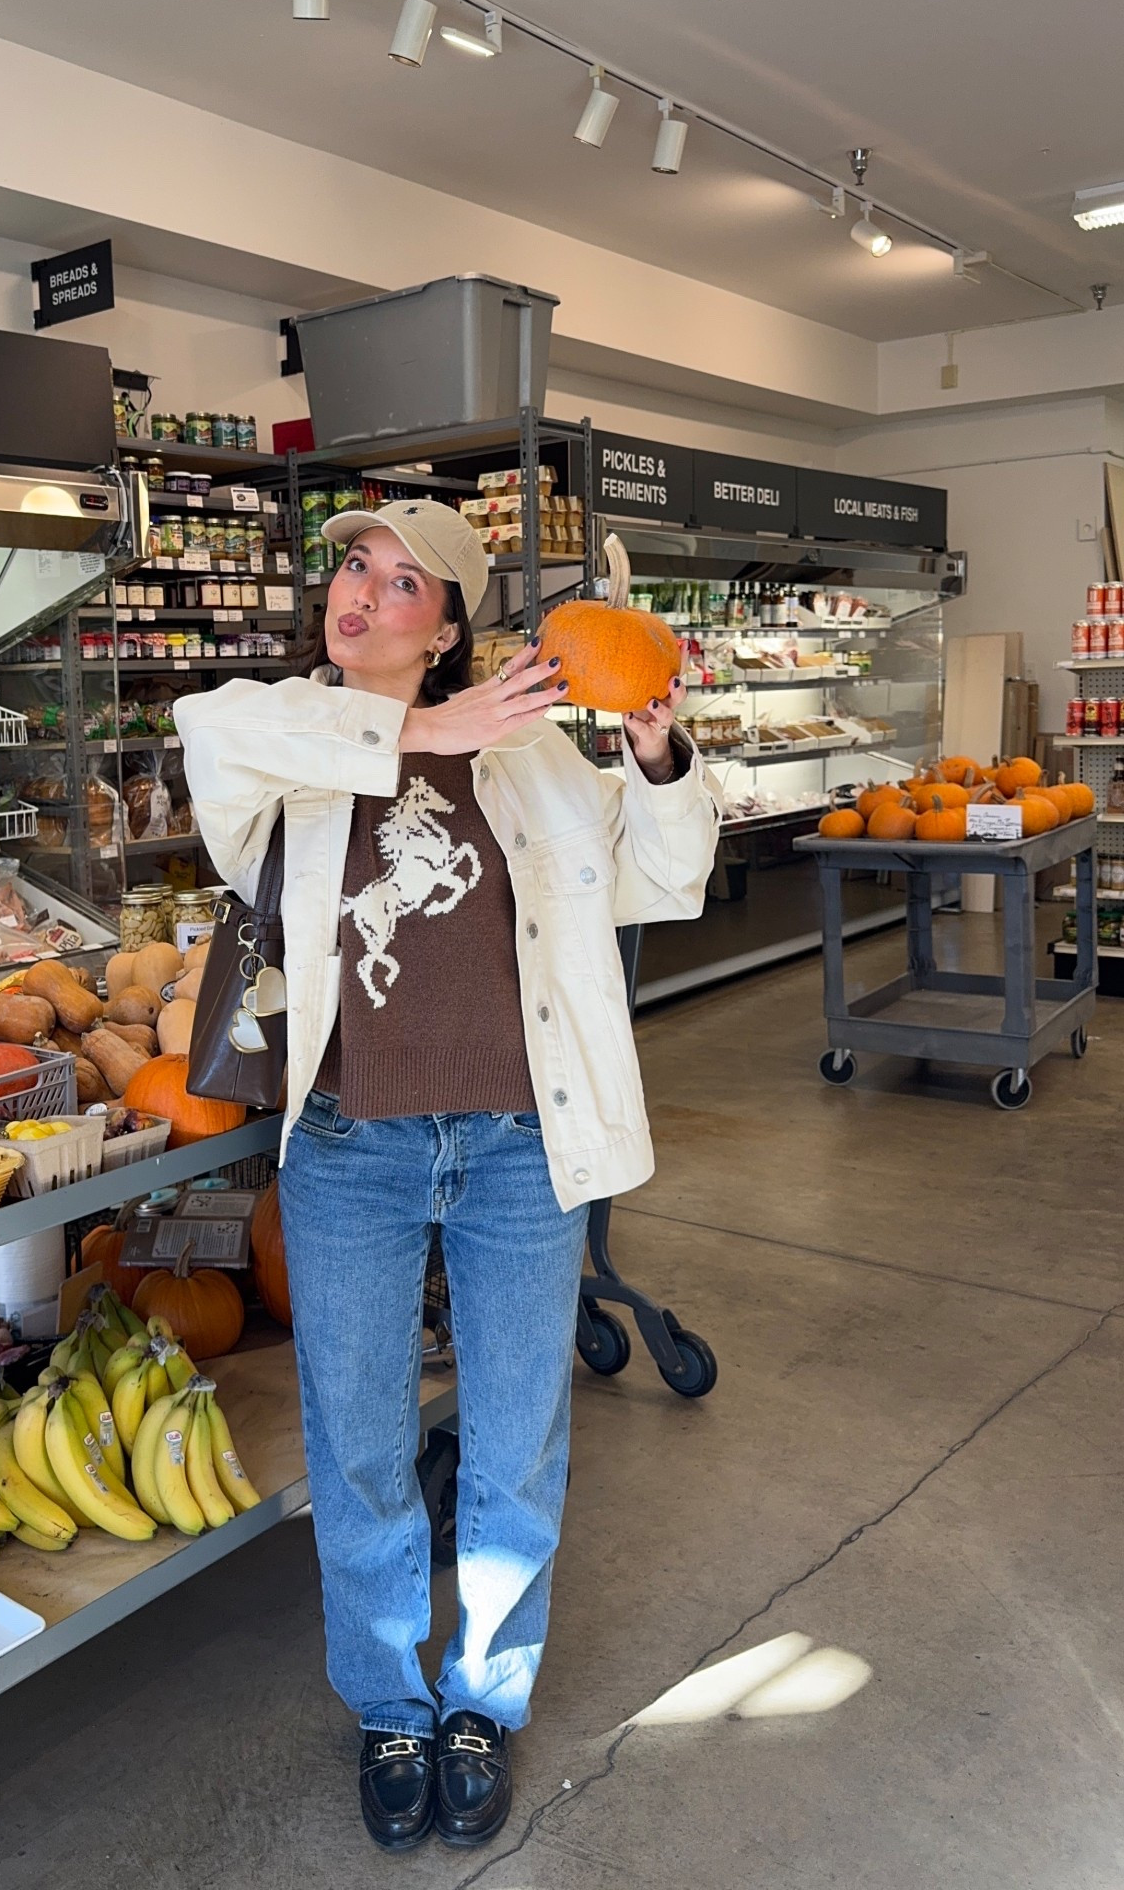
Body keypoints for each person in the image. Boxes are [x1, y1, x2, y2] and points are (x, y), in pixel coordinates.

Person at [175, 498, 721, 1853]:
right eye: (352, 566)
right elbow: (209, 729)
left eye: (404, 580)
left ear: (453, 623)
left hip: (519, 1146)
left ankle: (478, 1698)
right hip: (353, 1146)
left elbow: (668, 871)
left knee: (517, 1440)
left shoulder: (534, 760)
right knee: (357, 1440)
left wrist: (655, 750)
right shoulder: (281, 743)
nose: (361, 592)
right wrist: (418, 730)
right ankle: (388, 1704)